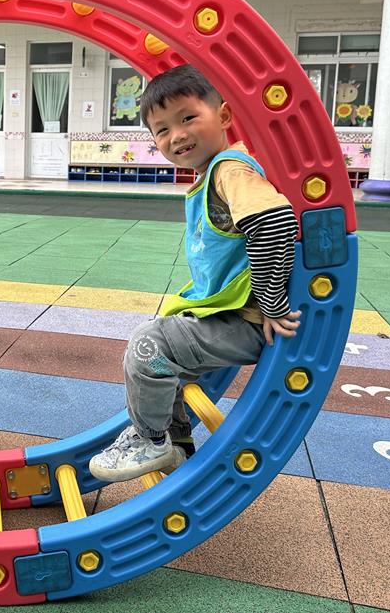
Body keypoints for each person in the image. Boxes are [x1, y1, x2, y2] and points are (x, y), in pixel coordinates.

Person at [89, 65, 301, 483]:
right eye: (163, 130)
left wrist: (272, 302)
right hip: (227, 316)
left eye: (188, 118)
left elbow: (274, 221)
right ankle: (176, 440)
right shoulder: (212, 176)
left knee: (149, 346)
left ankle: (150, 439)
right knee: (162, 353)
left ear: (223, 116)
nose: (178, 135)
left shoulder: (230, 171)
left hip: (246, 322)